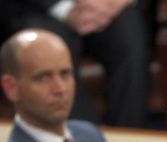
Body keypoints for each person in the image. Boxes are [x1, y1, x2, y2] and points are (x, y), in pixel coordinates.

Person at [3, 0, 152, 127]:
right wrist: (66, 8)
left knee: (131, 42)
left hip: (112, 6)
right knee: (46, 50)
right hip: (40, 9)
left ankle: (129, 140)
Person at [0, 28, 109, 142]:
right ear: (12, 88)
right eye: (43, 77)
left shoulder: (91, 136)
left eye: (65, 74)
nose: (60, 89)